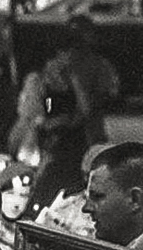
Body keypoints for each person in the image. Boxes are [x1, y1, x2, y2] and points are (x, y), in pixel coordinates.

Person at [10, 15, 121, 207]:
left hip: (75, 144)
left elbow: (88, 109)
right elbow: (33, 116)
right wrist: (55, 121)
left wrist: (75, 81)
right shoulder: (39, 79)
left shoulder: (86, 71)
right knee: (42, 190)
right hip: (47, 146)